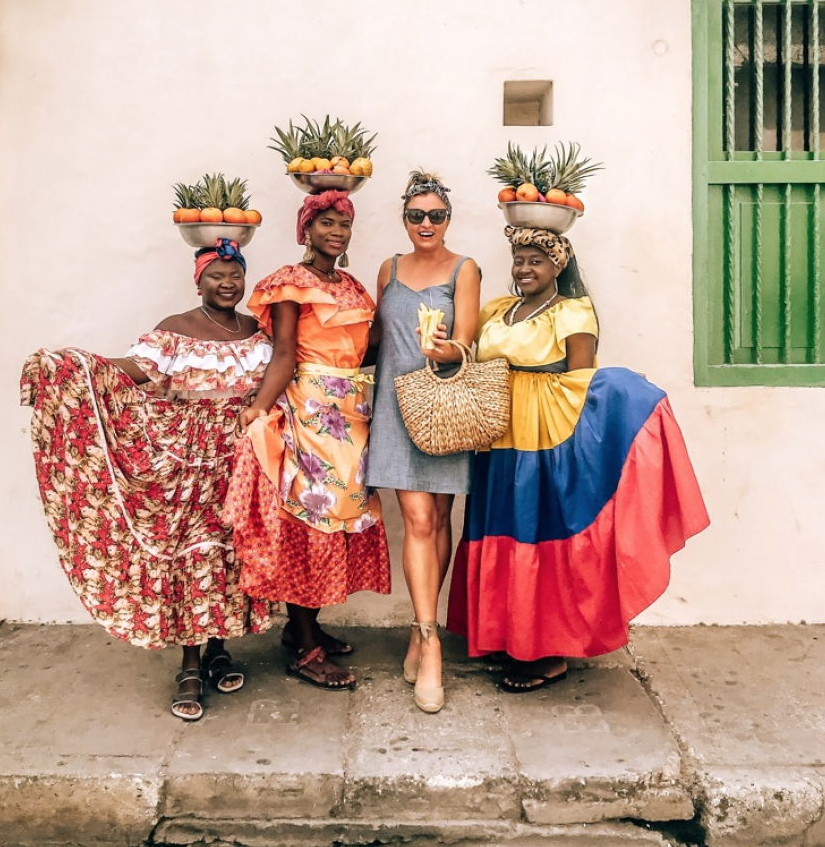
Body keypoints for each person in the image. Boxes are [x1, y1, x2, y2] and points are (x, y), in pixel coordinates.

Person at [447, 225, 710, 692]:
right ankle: (507, 636)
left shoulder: (573, 312)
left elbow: (580, 382)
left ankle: (547, 654)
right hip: (497, 434)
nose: (525, 269)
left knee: (537, 529)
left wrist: (617, 408)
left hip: (546, 437)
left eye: (536, 261)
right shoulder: (497, 310)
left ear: (558, 265)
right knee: (502, 526)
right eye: (520, 259)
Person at [21, 238, 274, 721]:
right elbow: (130, 372)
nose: (227, 283)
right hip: (185, 466)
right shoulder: (174, 332)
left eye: (235, 274)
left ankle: (220, 649)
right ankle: (190, 665)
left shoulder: (256, 332)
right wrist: (71, 366)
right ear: (197, 280)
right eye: (216, 275)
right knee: (187, 553)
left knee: (227, 552)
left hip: (239, 462)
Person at [224, 189, 391, 691]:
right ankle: (304, 644)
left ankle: (306, 626)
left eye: (344, 223)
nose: (336, 231)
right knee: (309, 520)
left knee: (336, 519)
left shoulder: (355, 287)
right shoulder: (290, 283)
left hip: (352, 414)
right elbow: (284, 354)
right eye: (326, 223)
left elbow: (370, 348)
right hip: (308, 413)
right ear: (306, 230)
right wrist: (258, 407)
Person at [365, 171, 480, 713]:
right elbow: (371, 338)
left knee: (439, 520)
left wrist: (444, 350)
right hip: (393, 406)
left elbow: (468, 339)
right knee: (416, 519)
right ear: (404, 220)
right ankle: (432, 645)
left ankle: (418, 628)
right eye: (417, 216)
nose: (426, 224)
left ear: (448, 220)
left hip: (443, 406)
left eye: (436, 215)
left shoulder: (465, 268)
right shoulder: (388, 269)